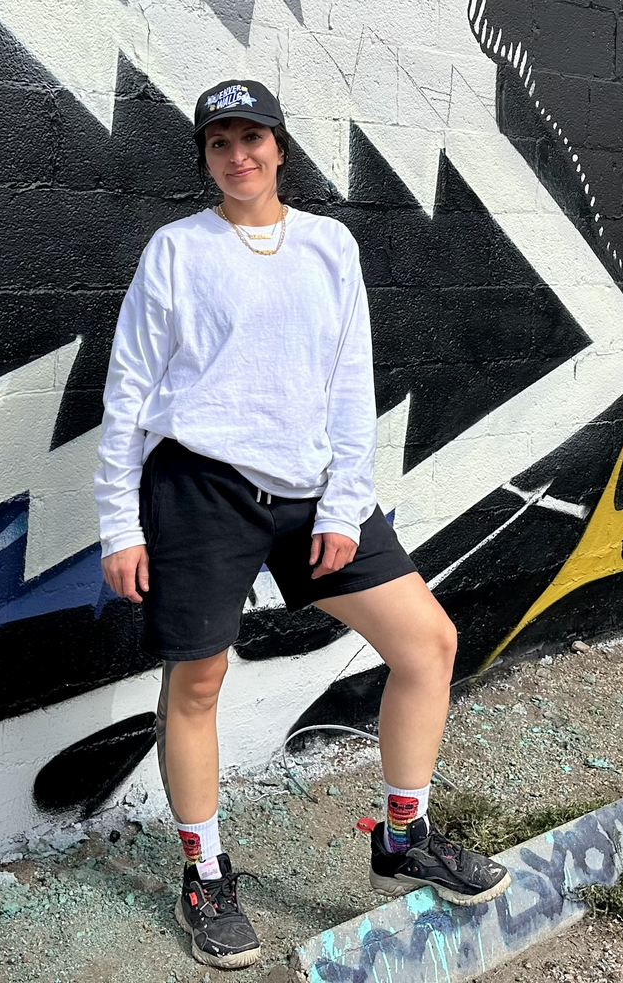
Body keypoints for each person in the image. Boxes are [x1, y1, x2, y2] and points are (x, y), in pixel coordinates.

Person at [94, 80, 512, 970]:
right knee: (199, 682)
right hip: (200, 488)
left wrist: (342, 499)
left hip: (317, 488)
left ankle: (403, 836)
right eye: (219, 144)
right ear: (205, 159)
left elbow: (349, 380)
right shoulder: (175, 251)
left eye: (253, 139)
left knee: (426, 644)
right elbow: (128, 394)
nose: (238, 156)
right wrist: (117, 526)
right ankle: (206, 874)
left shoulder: (328, 244)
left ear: (280, 148)